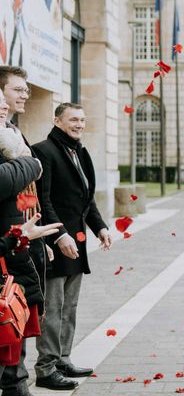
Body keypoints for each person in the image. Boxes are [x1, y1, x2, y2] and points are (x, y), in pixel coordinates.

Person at [31, 103, 111, 391]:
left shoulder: (81, 151)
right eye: (73, 119)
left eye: (82, 119)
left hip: (76, 241)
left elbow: (86, 199)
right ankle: (46, 368)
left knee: (70, 305)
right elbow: (44, 199)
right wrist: (60, 234)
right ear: (57, 120)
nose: (79, 124)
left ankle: (63, 358)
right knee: (53, 307)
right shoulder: (44, 150)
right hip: (54, 240)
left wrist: (99, 227)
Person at [0, 65, 48, 396]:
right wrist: (33, 162)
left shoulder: (14, 134)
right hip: (8, 242)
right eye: (17, 89)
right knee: (8, 319)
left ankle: (17, 381)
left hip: (20, 239)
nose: (24, 95)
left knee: (18, 319)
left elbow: (33, 192)